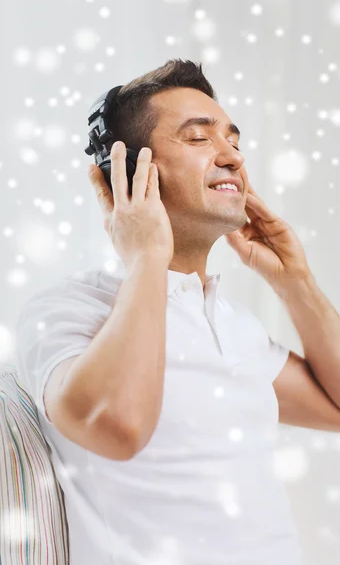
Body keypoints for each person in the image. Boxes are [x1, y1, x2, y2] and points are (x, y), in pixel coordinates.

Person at [15, 59, 304, 564]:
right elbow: (119, 427)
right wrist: (147, 256)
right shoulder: (64, 310)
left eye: (234, 141)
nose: (232, 157)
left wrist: (294, 279)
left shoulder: (231, 322)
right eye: (198, 139)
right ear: (128, 175)